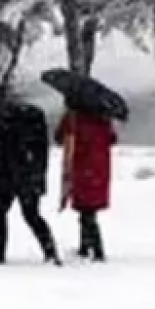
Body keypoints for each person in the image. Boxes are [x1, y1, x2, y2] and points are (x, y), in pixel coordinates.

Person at [0, 83, 61, 266]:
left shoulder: (22, 118)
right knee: (14, 214)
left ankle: (1, 252)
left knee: (25, 215)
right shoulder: (9, 117)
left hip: (20, 175)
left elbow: (8, 150)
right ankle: (47, 251)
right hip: (14, 176)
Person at [55, 106, 117, 262]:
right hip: (100, 168)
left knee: (86, 211)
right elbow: (112, 139)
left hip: (82, 167)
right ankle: (85, 246)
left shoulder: (73, 118)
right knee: (88, 210)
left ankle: (97, 250)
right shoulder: (103, 117)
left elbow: (59, 138)